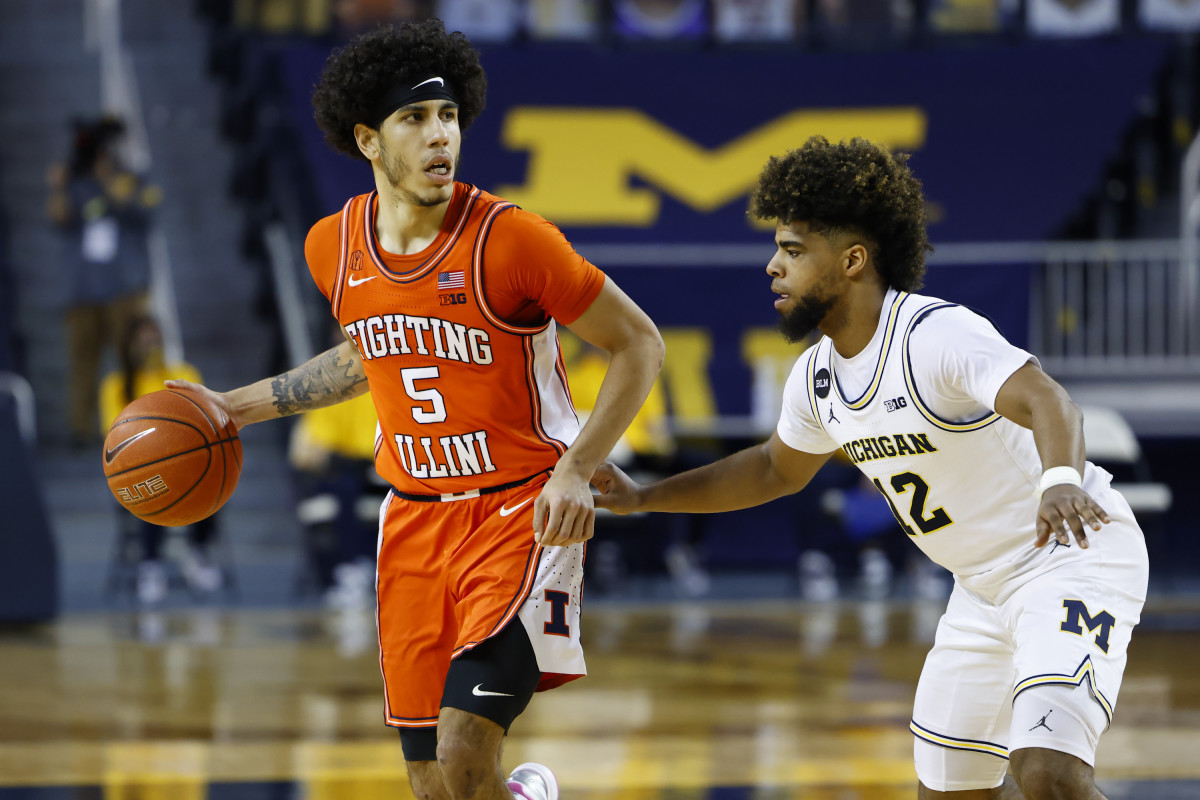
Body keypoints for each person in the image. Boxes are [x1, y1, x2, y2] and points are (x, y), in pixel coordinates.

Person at [169, 20, 663, 800]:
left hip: (520, 515)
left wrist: (577, 468)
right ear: (368, 140)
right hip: (411, 523)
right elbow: (372, 353)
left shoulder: (513, 240)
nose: (440, 137)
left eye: (449, 117)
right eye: (413, 119)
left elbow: (640, 344)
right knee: (435, 786)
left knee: (467, 751)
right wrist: (232, 407)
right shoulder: (332, 247)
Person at [595, 136, 1147, 800]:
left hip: (1070, 556)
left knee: (1047, 772)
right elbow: (773, 470)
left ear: (853, 260)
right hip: (979, 588)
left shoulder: (933, 334)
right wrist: (643, 499)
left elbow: (1047, 399)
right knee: (948, 792)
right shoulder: (818, 376)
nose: (773, 267)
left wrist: (1059, 482)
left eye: (793, 251)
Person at [47, 115, 160, 448]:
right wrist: (59, 184)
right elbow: (58, 216)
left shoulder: (132, 181)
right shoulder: (76, 186)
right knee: (82, 361)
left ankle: (140, 423)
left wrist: (113, 183)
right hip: (82, 293)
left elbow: (147, 213)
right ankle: (81, 431)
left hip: (124, 290)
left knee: (132, 359)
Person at [101, 314, 223, 604]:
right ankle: (151, 565)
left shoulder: (184, 374)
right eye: (142, 339)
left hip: (184, 464)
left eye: (153, 337)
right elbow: (114, 439)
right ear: (128, 345)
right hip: (135, 469)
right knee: (153, 480)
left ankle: (197, 553)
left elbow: (204, 419)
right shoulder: (115, 385)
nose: (149, 344)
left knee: (215, 472)